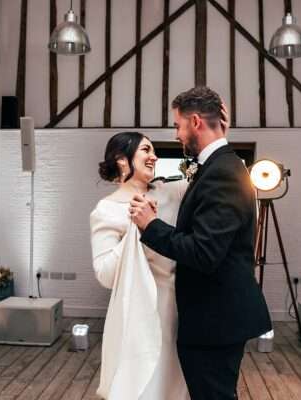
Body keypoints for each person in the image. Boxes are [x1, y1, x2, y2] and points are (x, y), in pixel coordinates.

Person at [130, 86, 272, 399]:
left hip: (215, 321)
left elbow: (204, 252)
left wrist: (150, 226)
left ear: (195, 122)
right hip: (215, 318)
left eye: (178, 126)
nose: (177, 135)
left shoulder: (223, 172)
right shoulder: (220, 166)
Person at [89, 132, 190, 399]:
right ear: (122, 160)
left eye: (153, 150)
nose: (154, 156)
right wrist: (138, 227)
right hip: (138, 316)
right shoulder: (106, 210)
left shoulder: (173, 191)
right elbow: (105, 275)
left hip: (181, 311)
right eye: (146, 150)